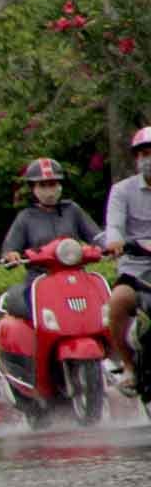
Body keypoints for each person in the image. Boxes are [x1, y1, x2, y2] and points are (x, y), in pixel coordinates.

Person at [0, 156, 103, 323]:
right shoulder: (25, 217)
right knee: (44, 320)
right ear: (33, 188)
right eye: (43, 185)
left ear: (60, 185)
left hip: (76, 279)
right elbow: (10, 249)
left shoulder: (72, 210)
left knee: (103, 311)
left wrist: (110, 245)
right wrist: (11, 255)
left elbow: (96, 236)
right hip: (40, 283)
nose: (49, 190)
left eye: (53, 184)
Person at [102, 127, 151, 391]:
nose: (149, 159)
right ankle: (129, 367)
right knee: (118, 301)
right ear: (137, 159)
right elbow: (115, 226)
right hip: (135, 271)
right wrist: (115, 241)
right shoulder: (122, 191)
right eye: (144, 154)